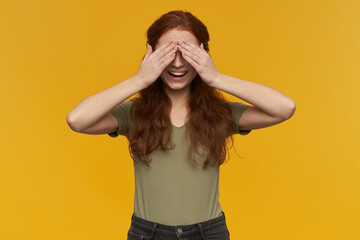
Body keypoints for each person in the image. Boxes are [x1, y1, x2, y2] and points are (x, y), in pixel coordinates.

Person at [67, 10, 296, 240]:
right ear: (152, 56)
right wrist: (140, 79)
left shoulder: (219, 112)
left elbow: (284, 108)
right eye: (167, 53)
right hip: (149, 234)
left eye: (188, 53)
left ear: (203, 54)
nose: (177, 63)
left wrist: (216, 77)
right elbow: (77, 120)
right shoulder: (134, 112)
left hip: (208, 233)